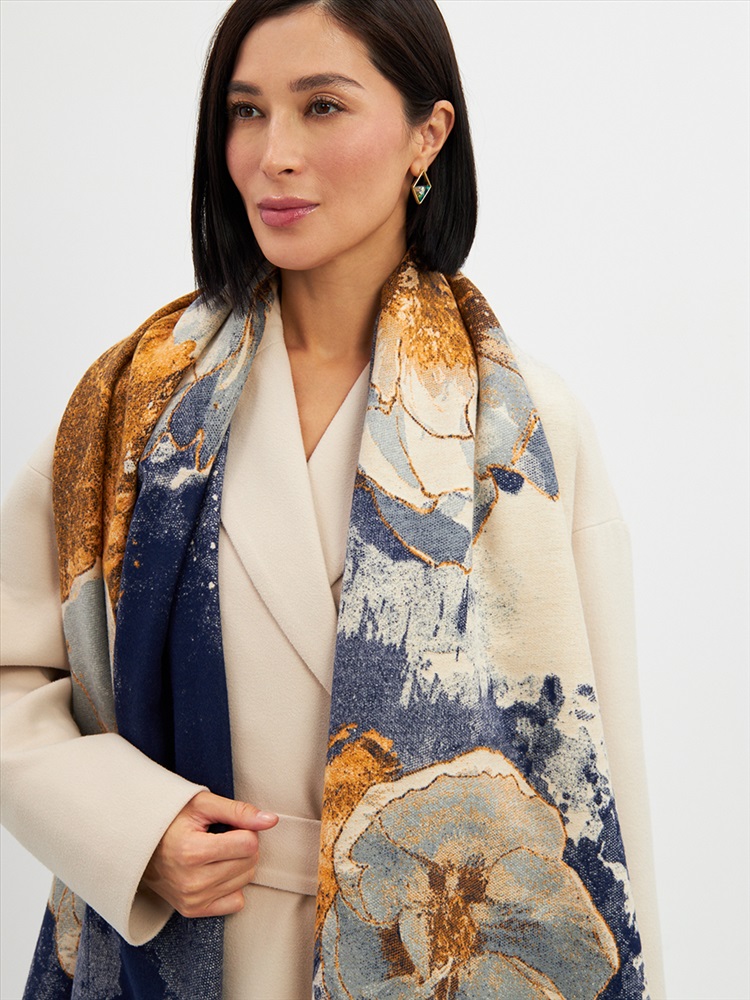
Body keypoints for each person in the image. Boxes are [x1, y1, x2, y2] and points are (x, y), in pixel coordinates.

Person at [0, 0, 665, 997]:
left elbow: (598, 782)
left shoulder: (529, 432)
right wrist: (132, 831)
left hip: (434, 956)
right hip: (184, 935)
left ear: (427, 134)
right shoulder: (134, 409)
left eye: (321, 106)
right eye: (247, 111)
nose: (273, 155)